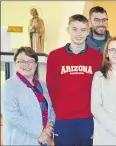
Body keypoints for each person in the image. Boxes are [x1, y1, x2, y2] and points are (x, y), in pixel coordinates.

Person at [46, 14, 102, 146]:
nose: (79, 34)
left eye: (83, 30)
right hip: (63, 119)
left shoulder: (97, 57)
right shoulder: (55, 56)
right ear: (68, 30)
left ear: (88, 31)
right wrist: (56, 115)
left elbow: (101, 89)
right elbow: (51, 87)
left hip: (88, 119)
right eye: (75, 29)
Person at [2, 46, 55, 145]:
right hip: (21, 141)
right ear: (15, 63)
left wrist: (50, 127)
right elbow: (12, 117)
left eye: (31, 61)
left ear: (36, 64)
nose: (27, 65)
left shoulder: (43, 85)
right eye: (22, 61)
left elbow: (51, 109)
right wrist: (40, 132)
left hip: (44, 140)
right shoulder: (9, 86)